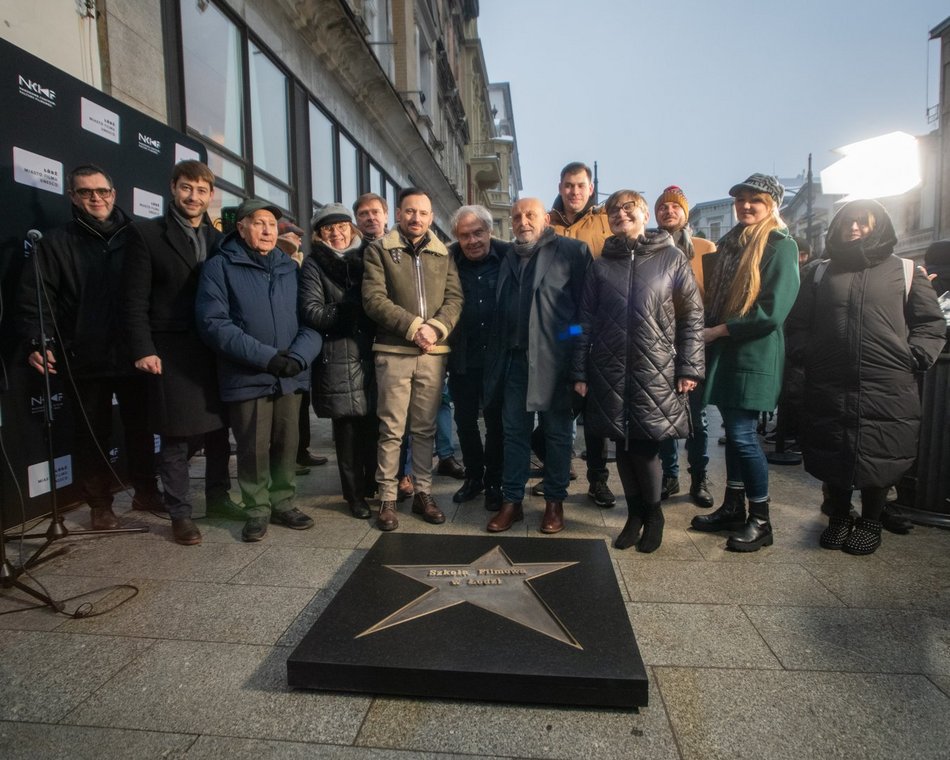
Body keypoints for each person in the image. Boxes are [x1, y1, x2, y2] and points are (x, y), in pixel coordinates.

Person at [786, 200, 944, 555]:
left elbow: (930, 323)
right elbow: (798, 324)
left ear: (879, 226)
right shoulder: (820, 273)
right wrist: (806, 354)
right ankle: (839, 516)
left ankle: (871, 519)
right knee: (833, 449)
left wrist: (915, 356)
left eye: (863, 222)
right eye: (847, 222)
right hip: (829, 381)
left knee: (882, 451)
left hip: (887, 384)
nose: (854, 228)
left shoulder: (905, 271)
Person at [17, 164, 160, 530]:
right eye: (86, 192)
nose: (96, 197)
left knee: (141, 427)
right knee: (91, 432)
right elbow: (37, 298)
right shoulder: (54, 243)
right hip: (85, 354)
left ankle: (147, 491)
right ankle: (99, 504)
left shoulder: (138, 236)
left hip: (135, 352)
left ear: (114, 194)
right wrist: (38, 339)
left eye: (102, 191)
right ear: (72, 197)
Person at [573, 190, 704, 551]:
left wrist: (689, 366)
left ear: (644, 213)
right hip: (610, 368)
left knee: (645, 447)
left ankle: (654, 515)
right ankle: (634, 514)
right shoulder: (601, 265)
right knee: (622, 444)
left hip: (656, 367)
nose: (621, 214)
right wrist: (580, 371)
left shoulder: (672, 258)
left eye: (628, 208)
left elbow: (692, 315)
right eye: (614, 210)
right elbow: (583, 322)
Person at [122, 160, 239, 546]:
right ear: (173, 188)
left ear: (210, 196)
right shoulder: (146, 234)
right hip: (169, 350)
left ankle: (219, 499)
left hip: (215, 349)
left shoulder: (221, 239)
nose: (194, 196)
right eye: (187, 187)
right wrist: (143, 348)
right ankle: (180, 514)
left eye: (202, 190)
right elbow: (133, 300)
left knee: (221, 432)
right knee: (174, 436)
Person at [196, 198, 322, 542]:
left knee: (286, 443)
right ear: (241, 227)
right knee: (253, 447)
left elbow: (310, 320)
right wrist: (267, 358)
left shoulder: (289, 267)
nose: (267, 230)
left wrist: (300, 356)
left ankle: (284, 503)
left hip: (289, 375)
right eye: (258, 223)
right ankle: (256, 509)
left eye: (271, 224)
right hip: (248, 376)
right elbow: (214, 324)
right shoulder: (219, 267)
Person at [690, 174, 800, 552]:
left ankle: (761, 519)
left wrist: (720, 330)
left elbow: (772, 312)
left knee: (742, 436)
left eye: (756, 200)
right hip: (728, 349)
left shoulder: (779, 244)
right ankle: (734, 506)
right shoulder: (731, 243)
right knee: (735, 439)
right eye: (741, 200)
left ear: (772, 205)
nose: (746, 206)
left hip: (752, 351)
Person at [484, 198, 591, 534]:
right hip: (514, 361)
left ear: (545, 218)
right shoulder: (506, 255)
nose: (522, 221)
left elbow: (583, 315)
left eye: (529, 215)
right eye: (516, 216)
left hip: (555, 363)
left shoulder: (572, 251)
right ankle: (512, 502)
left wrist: (570, 343)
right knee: (513, 434)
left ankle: (555, 503)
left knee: (557, 435)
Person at [362, 187, 463, 531]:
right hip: (394, 352)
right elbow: (374, 299)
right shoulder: (380, 249)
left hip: (432, 354)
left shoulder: (443, 254)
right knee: (391, 429)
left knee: (424, 429)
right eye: (409, 211)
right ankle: (387, 497)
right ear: (399, 213)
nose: (415, 218)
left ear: (431, 217)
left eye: (422, 212)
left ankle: (423, 493)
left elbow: (454, 300)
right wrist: (414, 327)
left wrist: (435, 328)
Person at [299, 203, 378, 519]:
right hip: (337, 358)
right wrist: (354, 309)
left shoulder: (370, 255)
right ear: (320, 235)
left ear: (352, 228)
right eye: (328, 228)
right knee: (346, 435)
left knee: (374, 427)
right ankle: (353, 495)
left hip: (372, 356)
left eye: (341, 226)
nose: (336, 233)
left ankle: (372, 483)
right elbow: (312, 311)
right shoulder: (313, 265)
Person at [547, 161, 615, 508]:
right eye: (568, 185)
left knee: (594, 414)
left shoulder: (605, 223)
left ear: (590, 189)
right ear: (560, 187)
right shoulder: (547, 224)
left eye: (580, 186)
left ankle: (598, 480)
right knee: (557, 409)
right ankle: (556, 470)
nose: (574, 191)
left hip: (594, 330)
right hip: (559, 332)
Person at [653, 185, 717, 508]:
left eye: (674, 207)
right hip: (660, 345)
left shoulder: (705, 249)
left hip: (695, 342)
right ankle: (670, 474)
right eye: (662, 207)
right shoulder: (650, 249)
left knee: (697, 418)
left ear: (685, 213)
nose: (668, 211)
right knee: (663, 416)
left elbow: (715, 297)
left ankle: (699, 477)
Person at [447, 205, 506, 510]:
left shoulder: (509, 255)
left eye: (477, 233)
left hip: (498, 358)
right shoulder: (446, 259)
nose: (472, 241)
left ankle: (495, 482)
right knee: (465, 421)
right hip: (462, 358)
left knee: (496, 424)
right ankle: (474, 478)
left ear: (489, 231)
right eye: (464, 235)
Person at [276, 218, 329, 474]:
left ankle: (300, 451)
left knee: (300, 406)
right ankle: (291, 457)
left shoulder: (295, 268)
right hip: (280, 356)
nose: (298, 242)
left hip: (300, 354)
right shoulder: (295, 267)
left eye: (298, 239)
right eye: (293, 238)